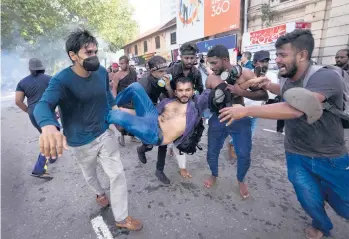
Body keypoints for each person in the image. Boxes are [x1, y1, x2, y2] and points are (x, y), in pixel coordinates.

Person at [218, 29, 349, 239]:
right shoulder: (287, 75)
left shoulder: (325, 76)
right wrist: (269, 85)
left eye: (282, 55)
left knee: (345, 206)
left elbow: (299, 106)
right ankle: (321, 226)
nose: (277, 60)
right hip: (296, 153)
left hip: (329, 156)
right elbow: (288, 92)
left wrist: (246, 110)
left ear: (302, 55)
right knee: (308, 199)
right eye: (276, 55)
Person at [33, 29, 142, 231]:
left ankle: (121, 216)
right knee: (90, 174)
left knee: (117, 174)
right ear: (72, 56)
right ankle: (100, 193)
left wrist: (116, 112)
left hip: (103, 132)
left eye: (95, 51)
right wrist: (48, 125)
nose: (93, 57)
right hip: (79, 141)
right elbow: (42, 105)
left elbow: (107, 95)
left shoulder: (101, 72)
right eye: (88, 53)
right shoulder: (61, 80)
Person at [204, 44, 269, 199]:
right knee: (212, 151)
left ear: (225, 59)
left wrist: (241, 92)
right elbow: (206, 100)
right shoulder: (211, 78)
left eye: (214, 63)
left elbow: (264, 95)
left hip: (240, 118)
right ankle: (214, 174)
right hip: (218, 118)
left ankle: (241, 180)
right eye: (209, 63)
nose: (211, 67)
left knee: (244, 154)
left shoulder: (245, 73)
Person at [107, 77, 210, 158]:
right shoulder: (168, 102)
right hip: (152, 118)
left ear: (193, 91)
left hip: (155, 134)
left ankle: (97, 117)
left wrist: (221, 83)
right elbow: (143, 113)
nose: (184, 94)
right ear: (175, 92)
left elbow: (210, 94)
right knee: (135, 87)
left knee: (118, 116)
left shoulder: (195, 107)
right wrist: (123, 110)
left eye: (188, 90)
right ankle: (111, 105)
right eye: (181, 90)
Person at [228, 50, 280, 158]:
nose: (264, 64)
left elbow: (267, 96)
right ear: (255, 62)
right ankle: (235, 147)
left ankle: (235, 145)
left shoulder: (271, 76)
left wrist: (244, 91)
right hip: (243, 109)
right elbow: (237, 90)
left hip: (257, 110)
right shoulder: (247, 74)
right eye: (262, 61)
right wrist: (247, 88)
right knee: (243, 132)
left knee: (249, 133)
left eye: (266, 61)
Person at [15, 58, 57, 180]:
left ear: (30, 69)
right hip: (47, 112)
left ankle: (53, 155)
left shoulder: (22, 82)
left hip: (33, 113)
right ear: (42, 67)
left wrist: (28, 110)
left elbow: (18, 101)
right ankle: (39, 169)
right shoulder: (50, 79)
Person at [112, 56, 139, 146]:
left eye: (122, 63)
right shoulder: (117, 75)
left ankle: (133, 136)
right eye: (120, 63)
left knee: (134, 119)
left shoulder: (133, 72)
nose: (120, 65)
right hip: (122, 100)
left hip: (132, 99)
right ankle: (122, 137)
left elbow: (136, 85)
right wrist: (115, 101)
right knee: (123, 120)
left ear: (127, 63)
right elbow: (114, 88)